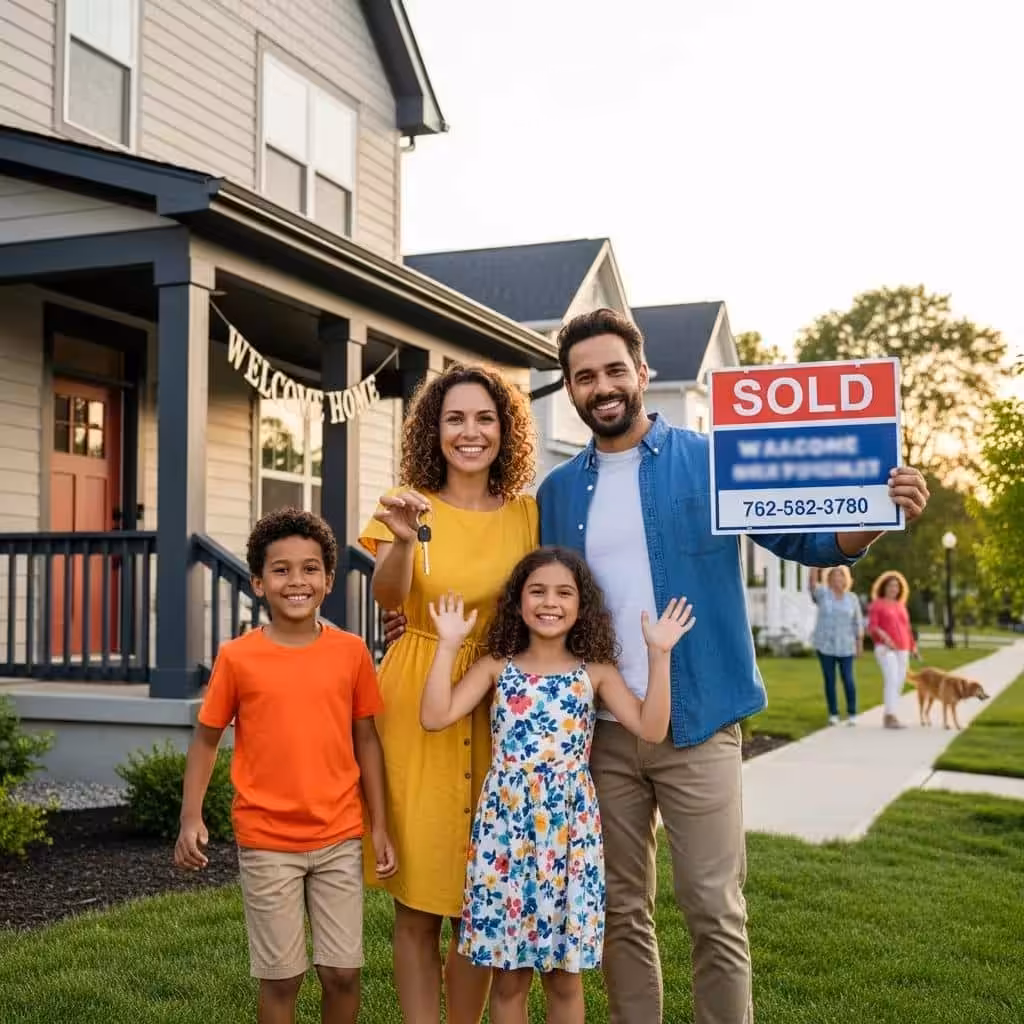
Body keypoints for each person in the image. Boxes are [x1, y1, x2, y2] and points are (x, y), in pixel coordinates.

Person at [384, 309, 930, 1023]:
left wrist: (877, 515)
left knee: (713, 908)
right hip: (600, 731)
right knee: (619, 911)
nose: (602, 386)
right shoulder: (555, 494)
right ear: (571, 391)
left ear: (643, 374)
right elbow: (526, 598)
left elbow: (806, 537)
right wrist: (419, 616)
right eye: (584, 376)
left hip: (698, 717)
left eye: (615, 370)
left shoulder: (709, 461)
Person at [420, 548, 696, 1024]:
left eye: (564, 592)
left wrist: (660, 654)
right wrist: (447, 645)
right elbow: (434, 716)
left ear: (581, 605)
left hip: (568, 837)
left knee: (565, 978)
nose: (550, 602)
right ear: (518, 601)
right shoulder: (495, 666)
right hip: (505, 837)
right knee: (510, 977)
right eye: (538, 591)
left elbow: (651, 729)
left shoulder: (595, 672)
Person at [359, 363, 539, 1024]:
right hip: (417, 696)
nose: (471, 432)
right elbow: (386, 596)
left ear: (505, 429)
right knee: (418, 898)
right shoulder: (406, 501)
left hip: (497, 702)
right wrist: (404, 544)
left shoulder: (526, 512)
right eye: (455, 418)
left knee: (480, 894)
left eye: (485, 418)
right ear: (433, 431)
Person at [173, 508, 395, 1024]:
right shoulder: (237, 657)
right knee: (282, 977)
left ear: (328, 579)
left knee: (342, 973)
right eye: (281, 569)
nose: (297, 581)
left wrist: (379, 824)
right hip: (267, 838)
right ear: (257, 582)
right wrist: (191, 816)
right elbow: (206, 740)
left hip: (339, 835)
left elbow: (367, 740)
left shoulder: (352, 653)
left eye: (310, 568)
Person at [807, 566, 864, 725]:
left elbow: (857, 622)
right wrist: (813, 565)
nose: (837, 579)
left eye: (841, 576)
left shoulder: (852, 598)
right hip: (825, 645)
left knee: (848, 679)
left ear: (846, 579)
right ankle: (833, 713)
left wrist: (859, 643)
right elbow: (812, 585)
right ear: (829, 579)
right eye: (834, 577)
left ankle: (852, 713)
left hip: (846, 646)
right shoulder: (823, 594)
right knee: (829, 680)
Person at [867, 570, 918, 730]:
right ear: (884, 587)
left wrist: (913, 647)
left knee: (900, 680)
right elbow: (872, 627)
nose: (893, 589)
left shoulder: (901, 606)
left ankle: (892, 713)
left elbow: (907, 628)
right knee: (892, 678)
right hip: (885, 648)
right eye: (890, 585)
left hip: (903, 648)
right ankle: (890, 716)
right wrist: (885, 638)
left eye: (896, 586)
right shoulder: (877, 604)